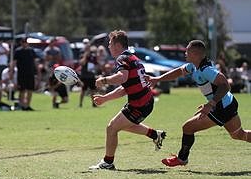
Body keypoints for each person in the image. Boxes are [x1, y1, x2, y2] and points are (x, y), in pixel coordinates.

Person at [147, 40, 251, 167]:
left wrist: (210, 104)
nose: (185, 53)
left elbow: (225, 85)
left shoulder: (206, 70)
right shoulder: (193, 66)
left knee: (188, 128)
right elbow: (179, 71)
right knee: (239, 135)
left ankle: (182, 159)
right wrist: (158, 79)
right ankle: (182, 159)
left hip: (221, 107)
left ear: (195, 54)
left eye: (187, 51)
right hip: (228, 103)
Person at [89, 30, 166, 170]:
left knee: (112, 127)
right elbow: (125, 88)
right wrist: (105, 98)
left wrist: (104, 80)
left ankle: (107, 162)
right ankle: (155, 134)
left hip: (140, 103)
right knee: (121, 125)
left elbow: (121, 78)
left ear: (118, 45)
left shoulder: (122, 59)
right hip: (144, 101)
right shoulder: (133, 58)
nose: (108, 46)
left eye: (110, 43)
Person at [10, 37, 37, 111]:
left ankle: (28, 105)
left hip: (30, 73)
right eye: (23, 42)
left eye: (26, 42)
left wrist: (38, 71)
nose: (25, 43)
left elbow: (35, 62)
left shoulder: (31, 51)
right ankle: (22, 105)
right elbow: (14, 62)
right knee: (22, 90)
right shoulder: (18, 51)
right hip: (21, 74)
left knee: (30, 90)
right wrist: (11, 72)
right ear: (21, 43)